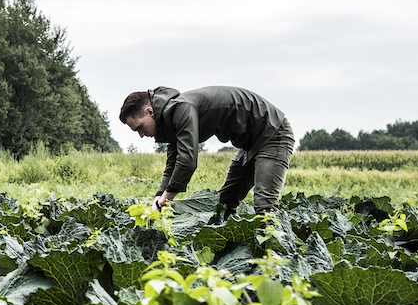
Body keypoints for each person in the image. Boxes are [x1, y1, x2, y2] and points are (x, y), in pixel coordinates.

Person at [119, 86, 294, 215]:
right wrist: (159, 195)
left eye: (139, 128)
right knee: (224, 204)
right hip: (249, 145)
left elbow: (187, 161)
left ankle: (275, 260)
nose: (141, 135)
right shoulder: (170, 119)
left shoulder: (181, 108)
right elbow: (173, 161)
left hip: (273, 133)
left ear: (149, 112)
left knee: (265, 206)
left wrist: (166, 199)